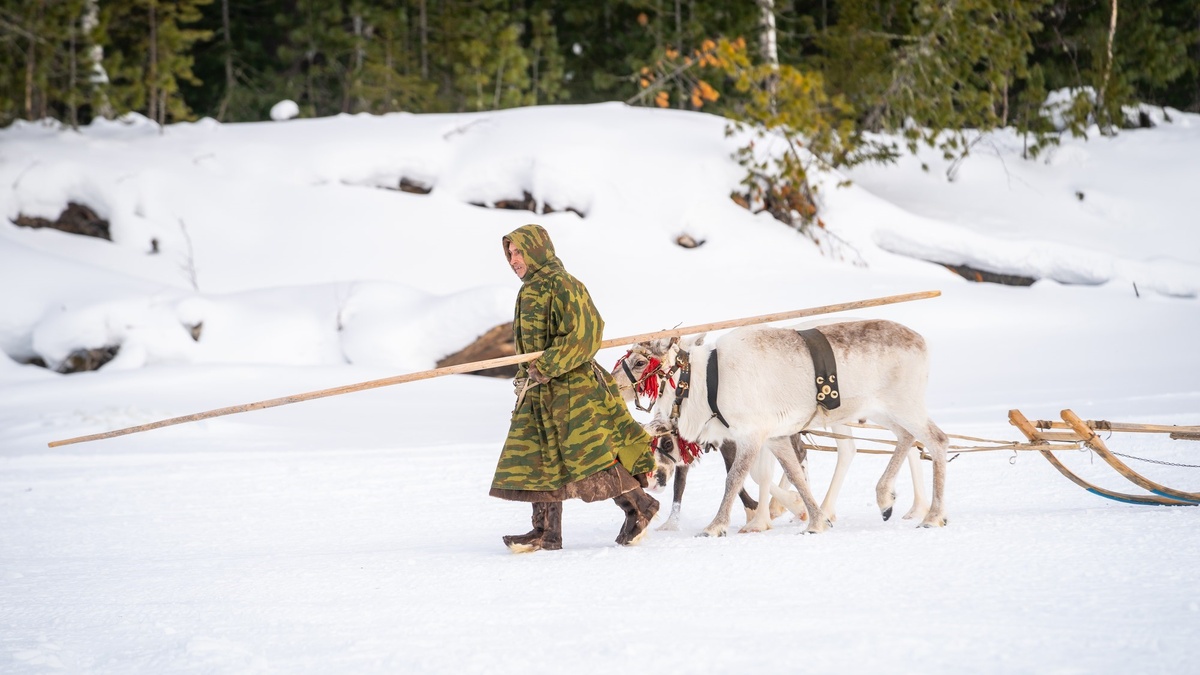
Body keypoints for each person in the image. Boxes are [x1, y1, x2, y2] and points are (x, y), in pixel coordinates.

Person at [490, 223, 660, 552]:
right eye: (509, 253)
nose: (513, 259)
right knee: (539, 460)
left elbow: (586, 333)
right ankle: (545, 532)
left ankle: (641, 507)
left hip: (573, 391)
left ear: (537, 248)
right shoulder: (528, 290)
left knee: (591, 458)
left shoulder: (563, 284)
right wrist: (528, 377)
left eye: (519, 251)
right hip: (540, 391)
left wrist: (548, 366)